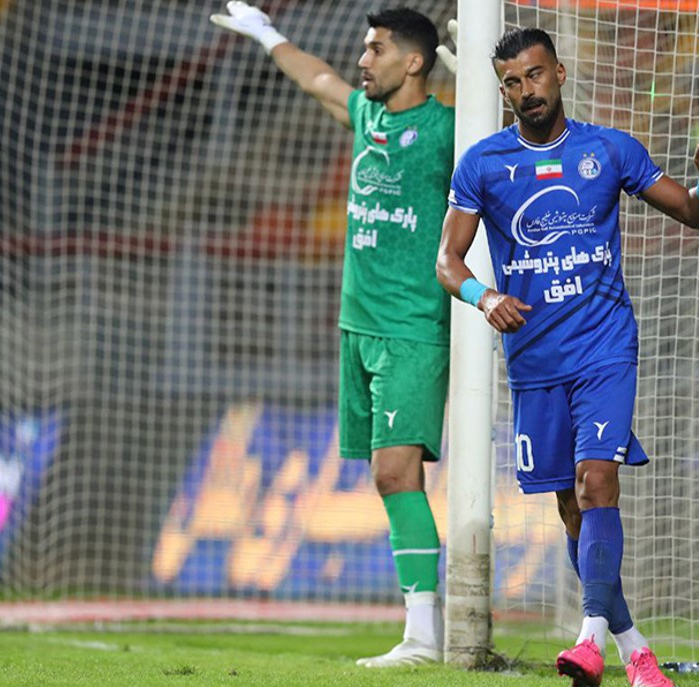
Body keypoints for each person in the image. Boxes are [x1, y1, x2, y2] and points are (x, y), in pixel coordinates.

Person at [436, 27, 699, 687]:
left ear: (560, 73)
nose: (526, 90)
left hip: (605, 346)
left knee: (597, 481)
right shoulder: (483, 164)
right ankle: (635, 652)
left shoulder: (609, 150)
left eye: (535, 75)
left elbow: (695, 214)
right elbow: (448, 261)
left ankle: (588, 640)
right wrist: (486, 297)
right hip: (534, 358)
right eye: (512, 82)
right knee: (571, 510)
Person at [210, 1, 455, 667]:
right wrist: (268, 35)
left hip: (412, 327)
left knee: (395, 471)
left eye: (376, 49)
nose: (362, 60)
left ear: (414, 62)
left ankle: (424, 635)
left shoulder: (446, 131)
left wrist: (485, 95)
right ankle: (422, 628)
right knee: (387, 476)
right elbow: (316, 77)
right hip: (358, 326)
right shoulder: (368, 116)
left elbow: (505, 156)